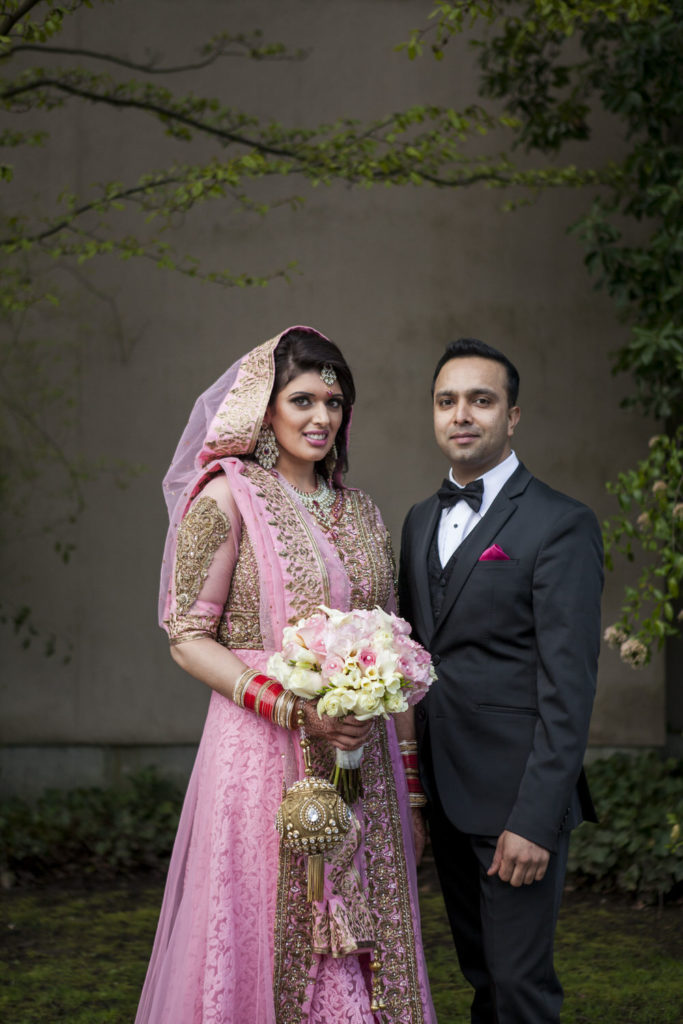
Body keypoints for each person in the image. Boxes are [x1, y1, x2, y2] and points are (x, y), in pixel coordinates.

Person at [136, 326, 436, 1024]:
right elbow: (186, 635)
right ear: (262, 410)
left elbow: (393, 647)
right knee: (268, 925)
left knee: (368, 949)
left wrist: (414, 791)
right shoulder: (225, 498)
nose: (320, 417)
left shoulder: (362, 511)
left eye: (334, 401)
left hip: (368, 763)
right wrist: (294, 710)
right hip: (261, 755)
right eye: (301, 399)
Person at [398, 337, 603, 1024]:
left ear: (511, 415)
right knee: (482, 978)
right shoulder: (418, 521)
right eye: (446, 400)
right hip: (447, 794)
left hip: (516, 803)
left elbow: (567, 689)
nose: (462, 414)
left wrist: (534, 820)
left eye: (480, 400)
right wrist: (415, 796)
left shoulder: (560, 523)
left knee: (520, 989)